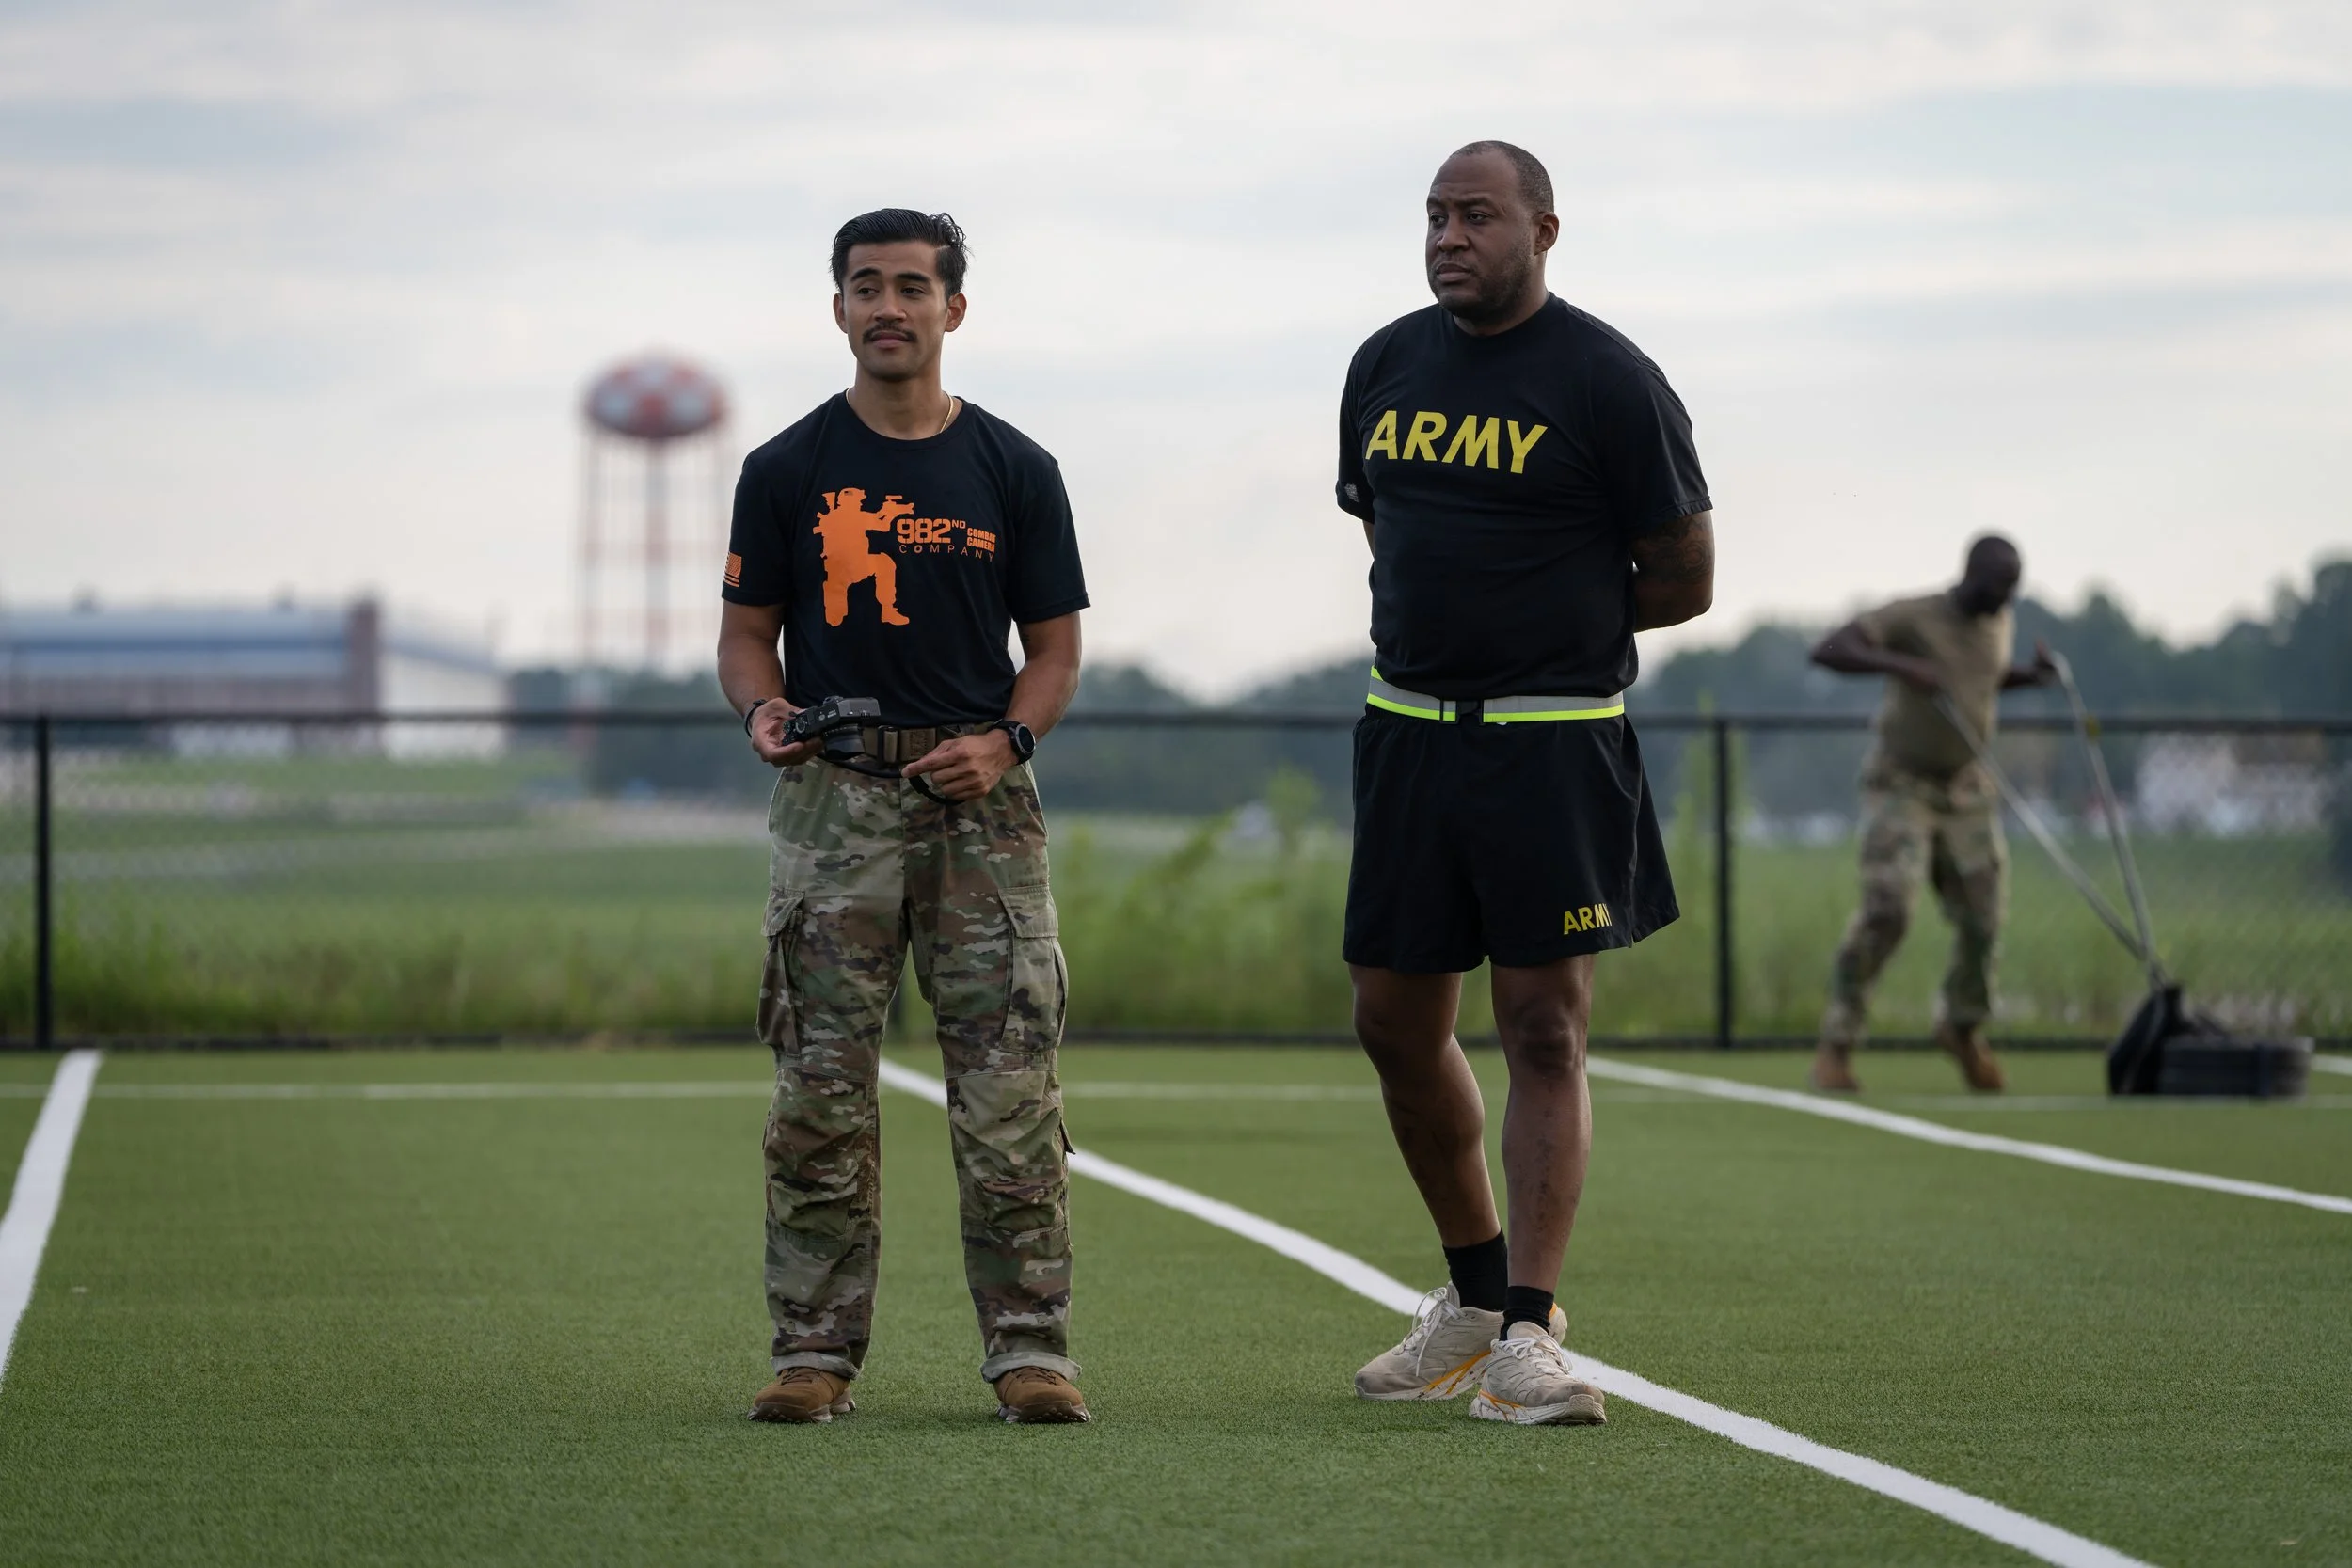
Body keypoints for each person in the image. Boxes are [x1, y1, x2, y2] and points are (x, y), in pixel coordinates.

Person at [1334, 142, 1715, 1426]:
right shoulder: (1384, 363)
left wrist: (1548, 635)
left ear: (1544, 229)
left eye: (1477, 216)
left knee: (1544, 1025)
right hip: (1406, 731)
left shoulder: (1609, 378)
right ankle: (1474, 1294)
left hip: (1552, 739)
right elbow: (1386, 526)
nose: (1449, 236)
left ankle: (1533, 1335)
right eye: (1435, 215)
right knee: (1393, 1020)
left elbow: (1682, 574)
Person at [716, 209, 1091, 1425]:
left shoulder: (1016, 469)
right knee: (819, 1092)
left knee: (1010, 1090)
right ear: (837, 309)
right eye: (866, 286)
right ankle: (813, 1354)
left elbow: (1055, 651)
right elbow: (744, 636)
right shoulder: (785, 467)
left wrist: (1008, 740)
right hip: (834, 805)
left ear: (953, 311)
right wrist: (762, 707)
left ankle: (1032, 1351)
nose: (890, 306)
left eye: (913, 287)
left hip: (980, 808)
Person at [1807, 535, 2058, 1094]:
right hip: (1903, 784)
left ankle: (1962, 1028)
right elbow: (1828, 649)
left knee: (1984, 917)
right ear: (1971, 575)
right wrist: (1901, 665)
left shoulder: (2001, 621)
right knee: (1889, 907)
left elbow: (1980, 677)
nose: (2004, 603)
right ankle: (1837, 1044)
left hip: (1967, 792)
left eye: (2012, 593)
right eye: (1997, 590)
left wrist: (2031, 675)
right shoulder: (1915, 616)